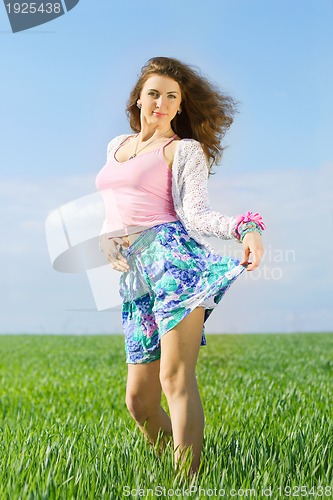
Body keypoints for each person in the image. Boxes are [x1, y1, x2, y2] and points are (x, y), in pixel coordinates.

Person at [95, 56, 265, 475]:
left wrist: (245, 227)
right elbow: (114, 208)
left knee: (175, 379)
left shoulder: (184, 150)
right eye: (154, 93)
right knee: (139, 401)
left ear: (180, 106)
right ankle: (192, 463)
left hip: (175, 265)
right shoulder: (116, 146)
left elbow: (197, 214)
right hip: (135, 276)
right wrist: (105, 236)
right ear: (138, 99)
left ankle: (187, 481)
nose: (162, 102)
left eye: (172, 96)